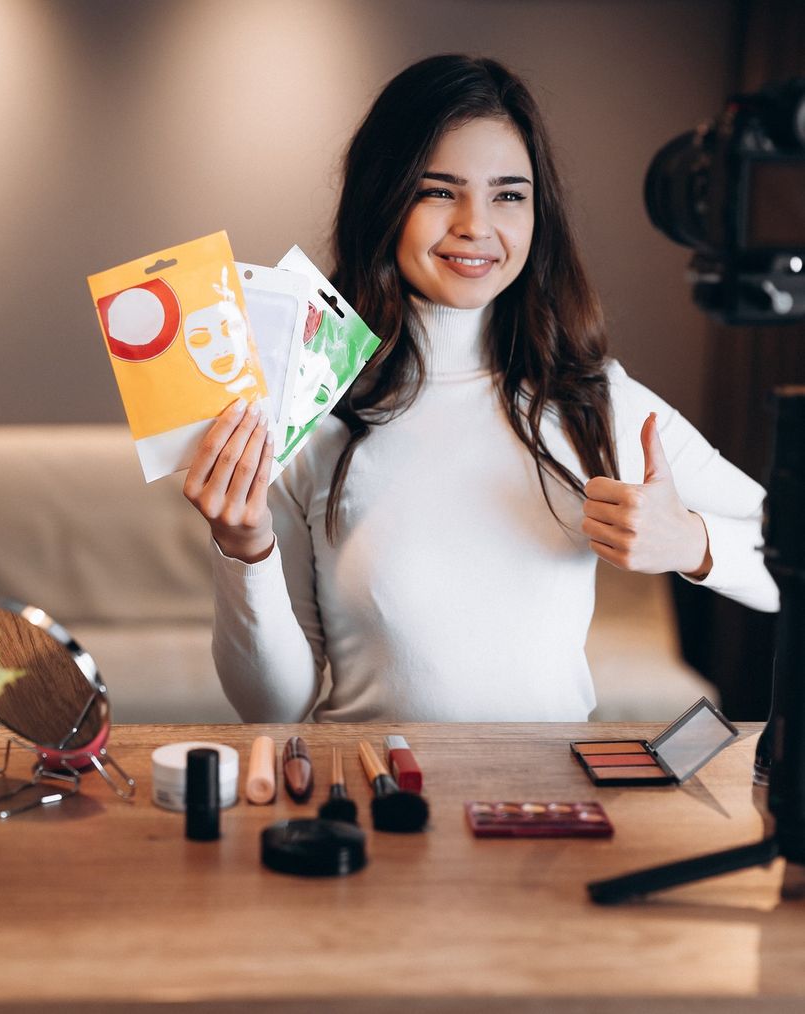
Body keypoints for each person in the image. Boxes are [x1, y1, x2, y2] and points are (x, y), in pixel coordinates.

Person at [183, 54, 778, 723]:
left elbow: (791, 559)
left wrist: (694, 542)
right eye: (439, 191)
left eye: (508, 194)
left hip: (551, 811)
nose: (476, 224)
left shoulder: (594, 400)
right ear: (384, 201)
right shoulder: (307, 409)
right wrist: (244, 550)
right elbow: (273, 710)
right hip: (379, 806)